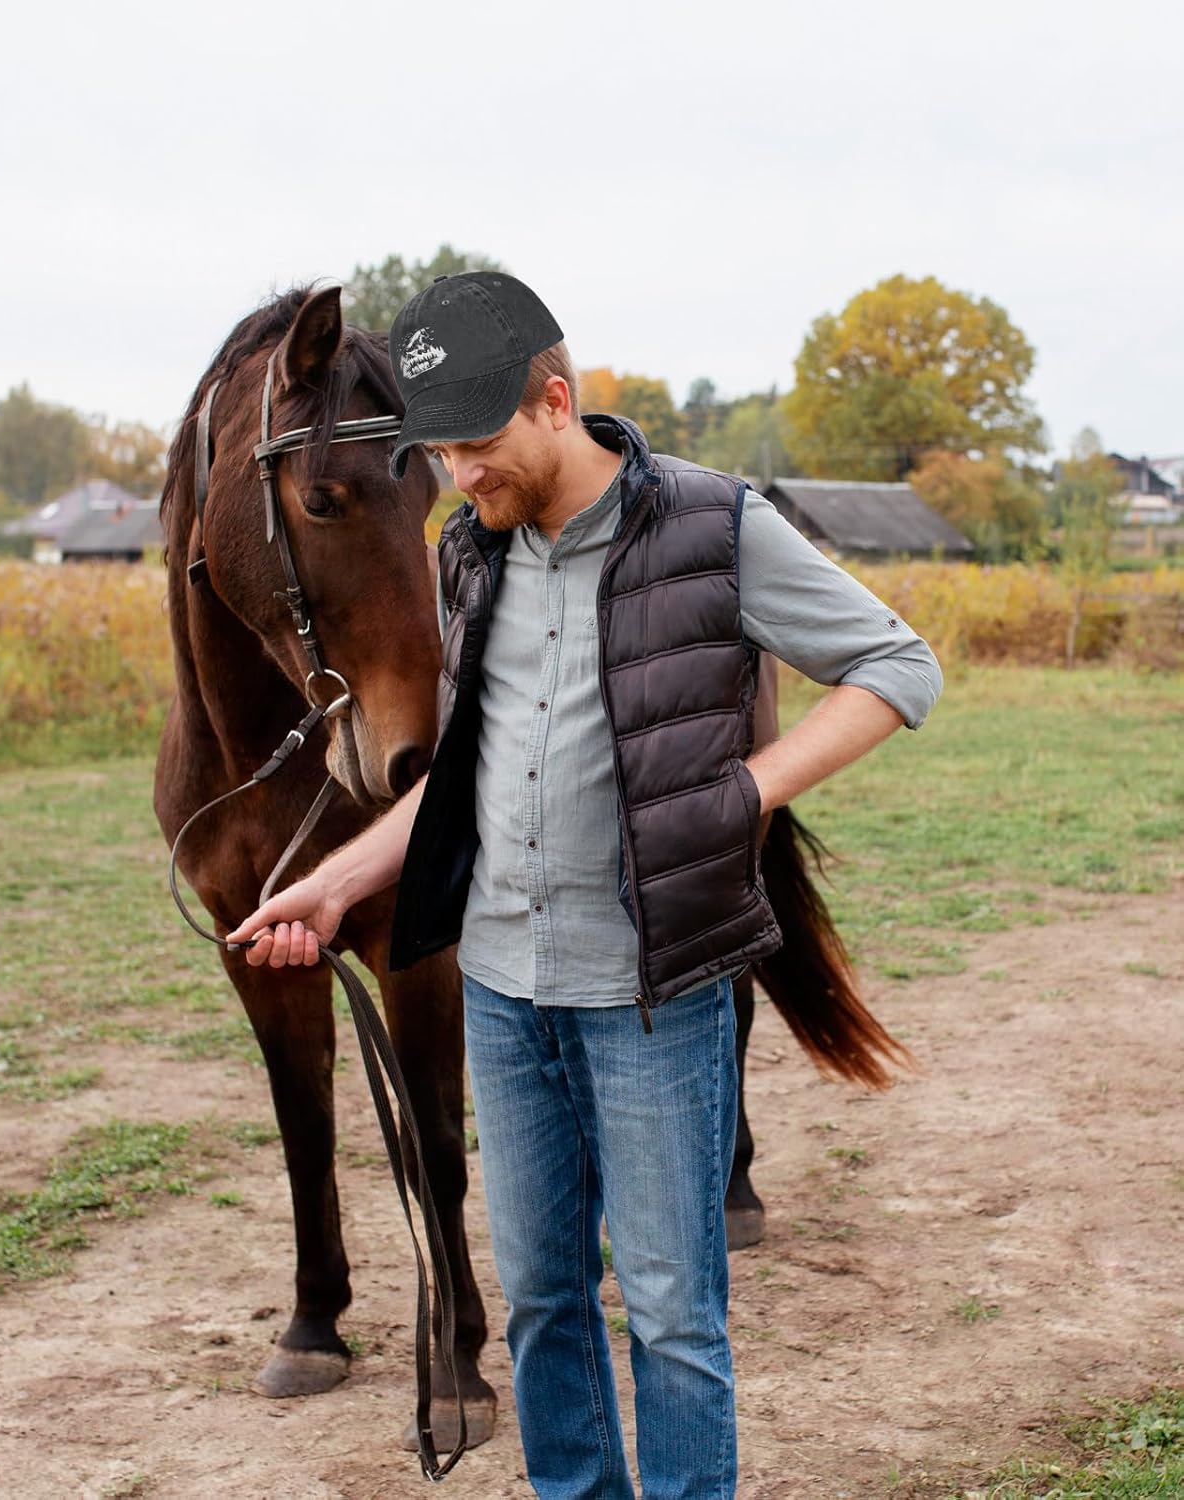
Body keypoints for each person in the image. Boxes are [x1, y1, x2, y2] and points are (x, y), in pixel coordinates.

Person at [227, 271, 942, 1499]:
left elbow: (896, 662)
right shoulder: (469, 556)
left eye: (476, 445)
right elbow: (465, 770)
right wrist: (338, 882)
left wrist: (746, 795)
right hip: (505, 994)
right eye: (439, 451)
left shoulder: (714, 528)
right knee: (547, 1304)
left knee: (670, 1315)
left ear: (555, 403)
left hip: (652, 997)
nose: (458, 478)